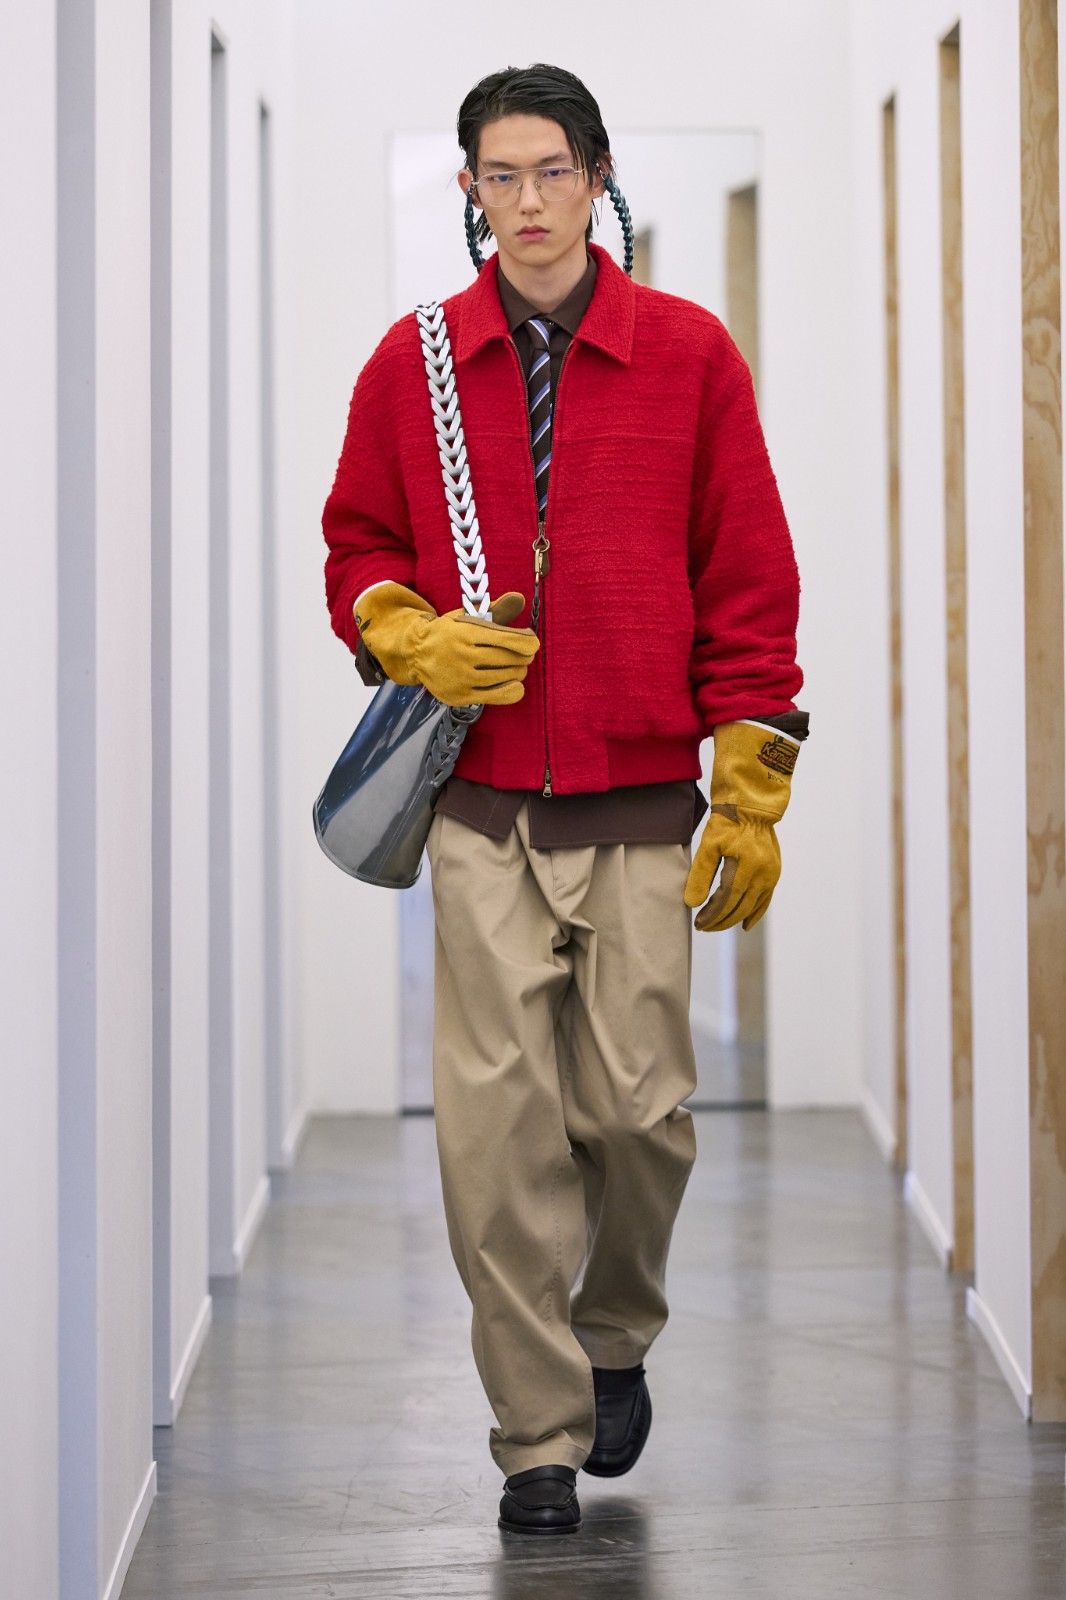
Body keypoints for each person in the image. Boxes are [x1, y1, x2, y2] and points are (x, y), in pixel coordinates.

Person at [321, 62, 808, 1537]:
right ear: (471, 192)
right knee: (495, 1135)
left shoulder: (690, 356)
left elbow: (747, 576)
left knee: (642, 1115)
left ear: (597, 179)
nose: (527, 201)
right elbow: (356, 543)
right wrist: (400, 627)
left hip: (643, 806)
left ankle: (611, 1337)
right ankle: (535, 1436)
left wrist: (750, 785)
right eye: (500, 176)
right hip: (478, 813)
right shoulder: (412, 363)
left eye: (551, 171)